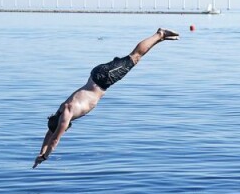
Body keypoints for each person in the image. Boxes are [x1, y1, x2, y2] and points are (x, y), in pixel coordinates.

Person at [33, 28, 179, 168]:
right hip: (98, 76)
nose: (64, 129)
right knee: (135, 58)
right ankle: (160, 38)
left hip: (103, 78)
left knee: (134, 57)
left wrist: (46, 156)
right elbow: (50, 135)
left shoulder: (67, 113)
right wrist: (41, 152)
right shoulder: (60, 112)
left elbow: (54, 139)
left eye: (62, 129)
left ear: (60, 124)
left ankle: (159, 34)